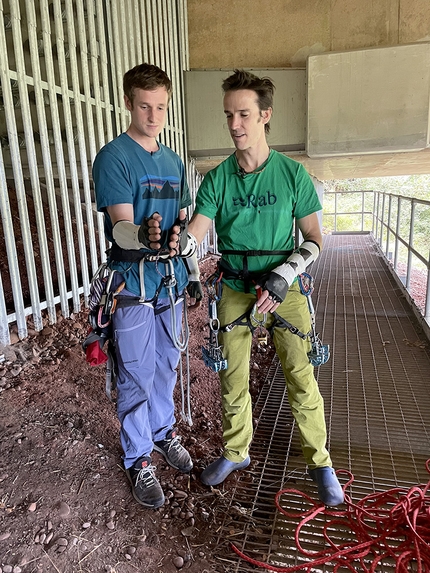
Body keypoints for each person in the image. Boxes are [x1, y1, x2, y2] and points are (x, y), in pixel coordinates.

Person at [187, 69, 344, 506]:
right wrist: (177, 241)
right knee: (232, 376)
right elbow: (197, 231)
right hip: (236, 287)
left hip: (286, 283)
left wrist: (283, 275)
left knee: (300, 373)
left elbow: (315, 239)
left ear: (265, 115)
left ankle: (320, 461)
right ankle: (236, 452)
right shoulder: (218, 179)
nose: (234, 125)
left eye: (243, 114)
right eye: (228, 116)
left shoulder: (293, 176)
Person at [92, 63, 202, 510]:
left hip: (170, 281)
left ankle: (163, 432)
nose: (153, 115)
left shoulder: (175, 161)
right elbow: (120, 226)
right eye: (144, 106)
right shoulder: (113, 157)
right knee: (136, 371)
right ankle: (138, 458)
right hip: (132, 283)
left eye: (160, 107)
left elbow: (185, 225)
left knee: (168, 364)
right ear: (128, 103)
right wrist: (144, 235)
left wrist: (192, 273)